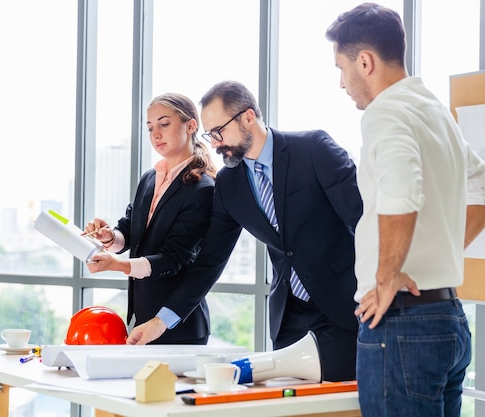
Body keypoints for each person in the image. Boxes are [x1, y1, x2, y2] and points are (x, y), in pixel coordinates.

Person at [136, 80, 361, 380]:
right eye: (209, 134)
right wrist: (161, 321)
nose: (214, 143)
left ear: (248, 117)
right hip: (289, 320)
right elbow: (210, 260)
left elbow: (364, 218)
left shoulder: (312, 150)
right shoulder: (230, 184)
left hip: (345, 308)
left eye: (219, 131)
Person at [326, 3, 485, 416]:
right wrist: (450, 243)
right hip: (448, 318)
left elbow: (401, 191)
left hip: (402, 325)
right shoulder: (432, 110)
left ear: (365, 62)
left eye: (341, 69)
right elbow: (481, 184)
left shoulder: (386, 112)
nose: (342, 83)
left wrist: (386, 277)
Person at [83, 93, 218, 345]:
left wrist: (116, 265)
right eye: (150, 127)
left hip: (180, 328)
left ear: (191, 126)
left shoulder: (203, 189)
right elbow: (130, 231)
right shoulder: (149, 178)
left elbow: (172, 259)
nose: (156, 134)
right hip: (143, 319)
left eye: (164, 124)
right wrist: (110, 237)